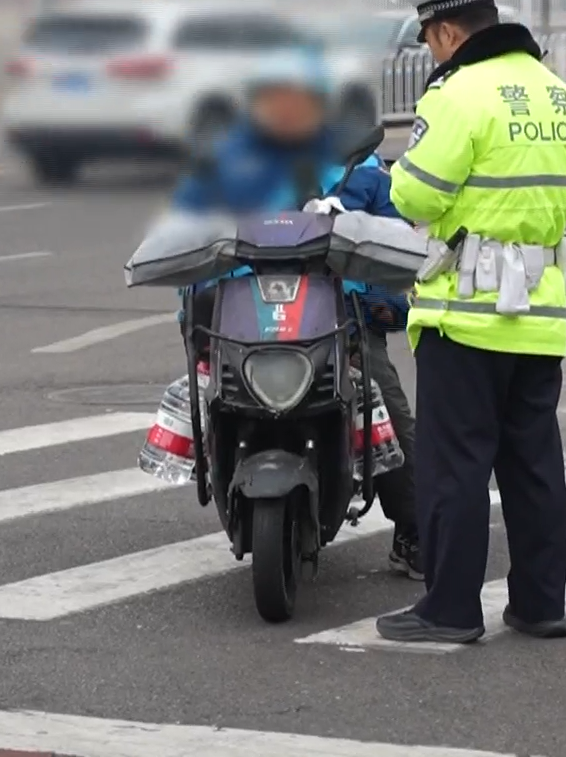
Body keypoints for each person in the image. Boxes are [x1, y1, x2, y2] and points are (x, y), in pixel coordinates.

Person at [375, 0, 566, 645]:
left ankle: (451, 610)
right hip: (539, 312)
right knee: (533, 464)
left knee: (456, 467)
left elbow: (415, 194)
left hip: (464, 315)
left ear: (445, 34)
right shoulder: (560, 96)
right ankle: (539, 605)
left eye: (431, 41)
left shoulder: (457, 94)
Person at [169, 49, 422, 577]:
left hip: (339, 319)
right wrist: (195, 304)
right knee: (197, 395)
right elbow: (187, 234)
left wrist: (382, 297)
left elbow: (396, 240)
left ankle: (418, 528)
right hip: (240, 321)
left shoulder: (361, 166)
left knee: (389, 415)